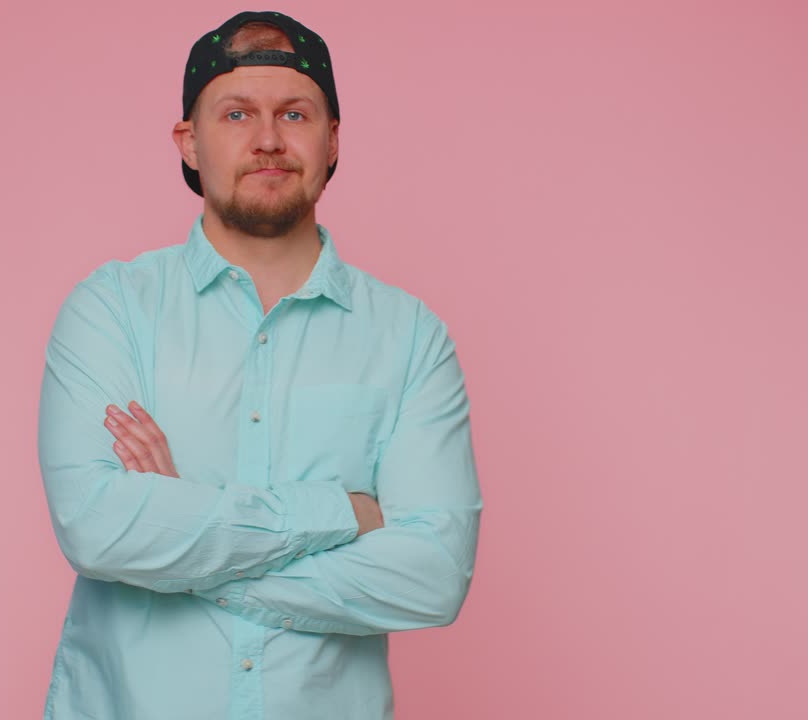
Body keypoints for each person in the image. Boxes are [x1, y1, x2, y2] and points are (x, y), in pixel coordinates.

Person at [37, 10, 482, 720]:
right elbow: (99, 527)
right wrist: (342, 512)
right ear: (189, 142)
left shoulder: (409, 337)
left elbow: (433, 576)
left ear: (332, 140)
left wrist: (183, 545)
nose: (269, 139)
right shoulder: (112, 309)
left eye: (295, 114)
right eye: (237, 113)